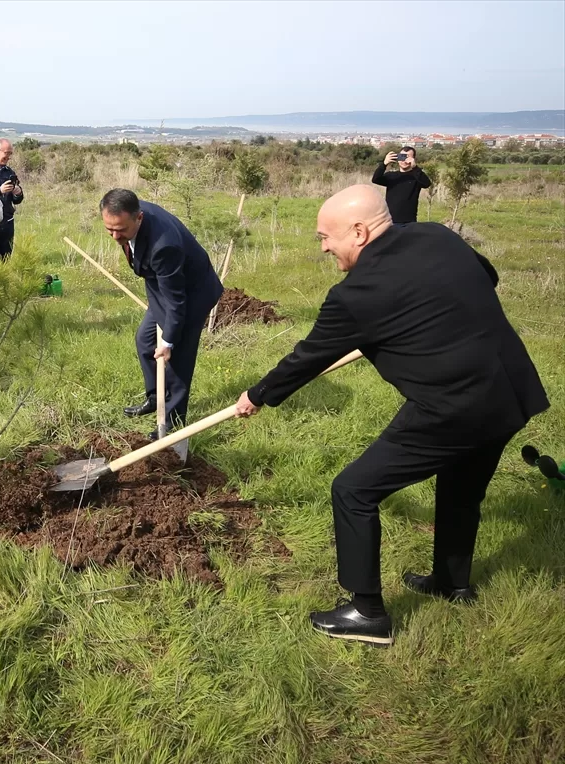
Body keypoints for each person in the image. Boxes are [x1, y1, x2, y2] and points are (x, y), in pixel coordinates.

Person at [234, 184, 548, 646]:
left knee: (354, 490)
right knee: (461, 490)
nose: (322, 247)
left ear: (359, 232)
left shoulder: (356, 296)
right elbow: (488, 277)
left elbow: (306, 359)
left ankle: (366, 613)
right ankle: (451, 584)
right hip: (509, 394)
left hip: (452, 409)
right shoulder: (437, 235)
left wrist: (256, 395)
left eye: (326, 236)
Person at [101, 189, 223, 461]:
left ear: (139, 218)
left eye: (120, 230)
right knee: (145, 341)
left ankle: (172, 421)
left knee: (178, 357)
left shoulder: (163, 245)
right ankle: (155, 398)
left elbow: (177, 302)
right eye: (109, 228)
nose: (114, 236)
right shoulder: (129, 213)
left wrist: (168, 342)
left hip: (192, 294)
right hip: (162, 285)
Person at [371, 146, 432, 224]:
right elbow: (375, 179)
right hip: (390, 220)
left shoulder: (416, 176)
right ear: (398, 159)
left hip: (409, 222)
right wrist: (384, 164)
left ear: (413, 159)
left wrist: (415, 167)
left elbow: (427, 183)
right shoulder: (391, 176)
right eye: (402, 157)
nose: (404, 160)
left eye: (408, 158)